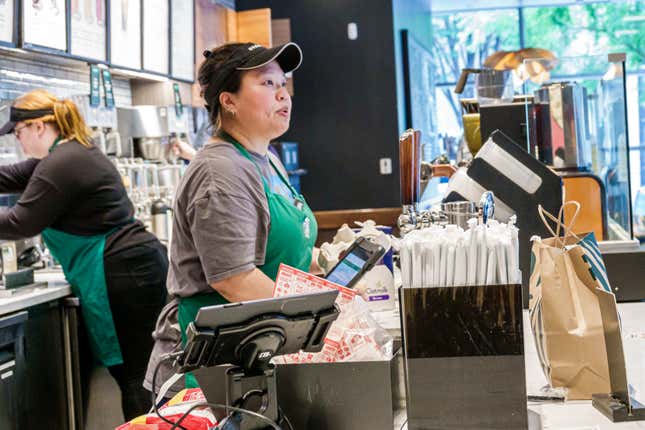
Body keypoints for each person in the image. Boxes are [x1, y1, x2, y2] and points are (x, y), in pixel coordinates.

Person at [145, 42, 321, 396]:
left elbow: (280, 249)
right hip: (209, 368)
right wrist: (315, 320)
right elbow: (235, 280)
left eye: (282, 84)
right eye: (267, 84)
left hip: (256, 349)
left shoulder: (266, 159)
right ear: (229, 101)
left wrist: (330, 278)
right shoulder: (220, 172)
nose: (283, 95)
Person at [0, 89, 168, 420]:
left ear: (38, 126)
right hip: (133, 268)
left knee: (137, 380)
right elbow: (8, 176)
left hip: (125, 273)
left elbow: (21, 221)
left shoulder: (63, 162)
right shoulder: (68, 155)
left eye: (18, 132)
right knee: (141, 377)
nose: (18, 141)